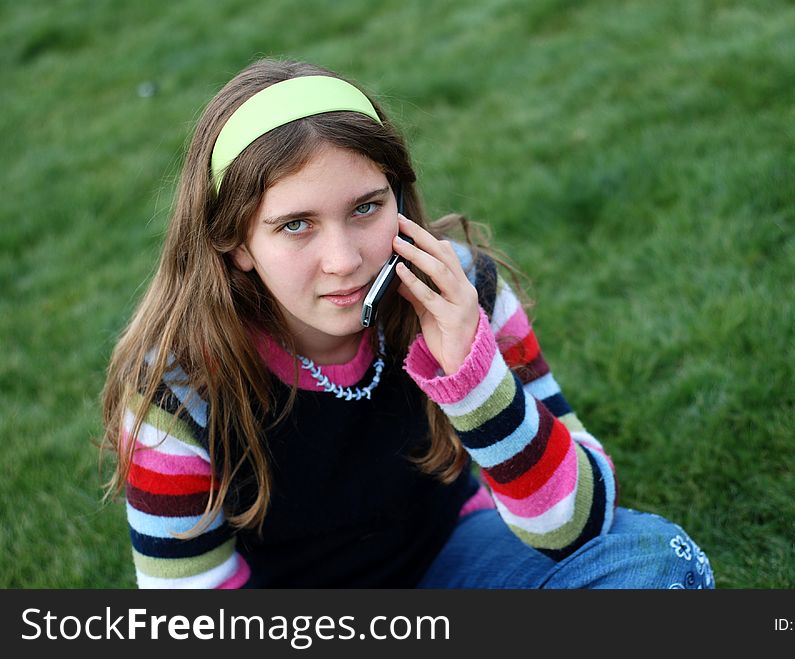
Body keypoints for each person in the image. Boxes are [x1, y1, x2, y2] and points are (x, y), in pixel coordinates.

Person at [101, 57, 714, 589]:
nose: (344, 261)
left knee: (656, 560)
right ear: (234, 240)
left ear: (398, 195)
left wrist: (471, 371)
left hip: (456, 561)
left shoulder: (462, 293)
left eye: (366, 207)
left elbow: (577, 525)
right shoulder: (179, 384)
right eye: (296, 225)